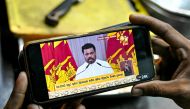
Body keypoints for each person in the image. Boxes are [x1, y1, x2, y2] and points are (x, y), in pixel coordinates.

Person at [5, 14, 190, 109]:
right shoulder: (79, 71)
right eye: (87, 54)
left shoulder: (106, 66)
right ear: (84, 56)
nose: (90, 56)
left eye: (92, 53)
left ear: (95, 53)